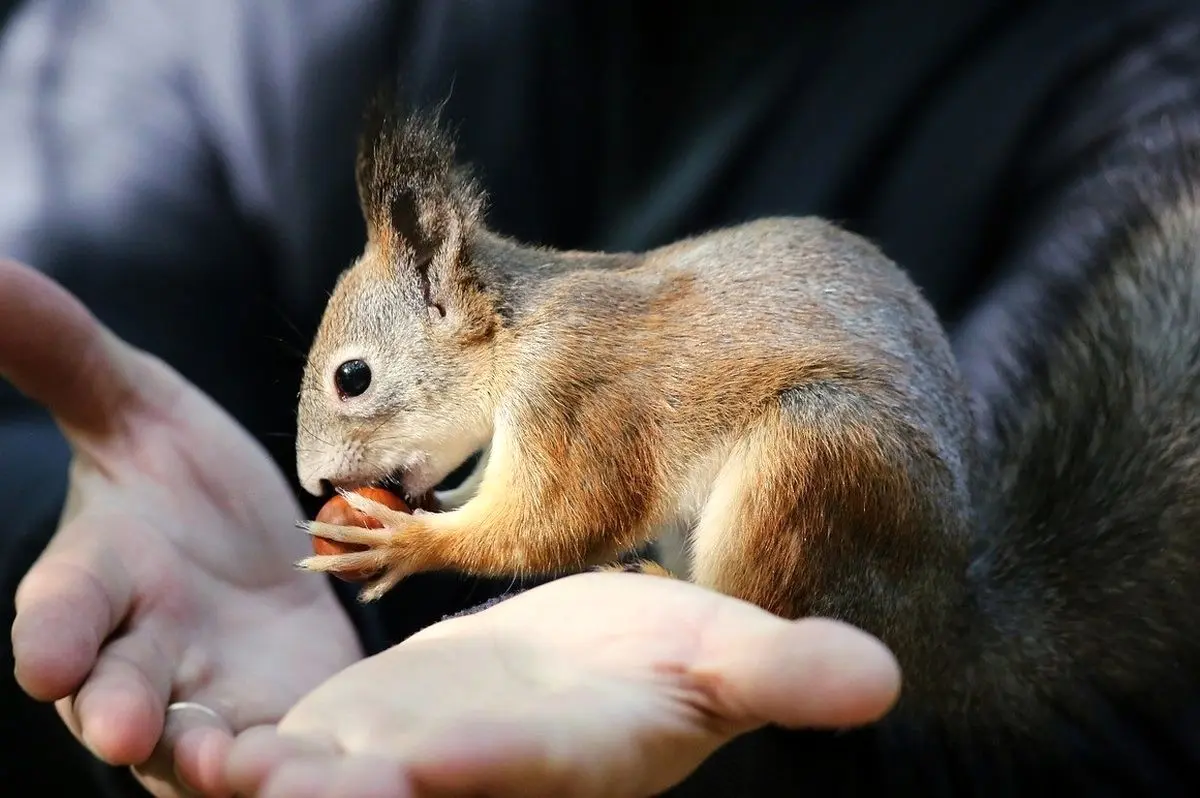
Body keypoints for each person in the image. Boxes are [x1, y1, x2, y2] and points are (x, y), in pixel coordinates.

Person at [2, 0, 1200, 795]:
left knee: (799, 450)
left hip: (846, 489)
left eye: (357, 391)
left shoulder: (558, 358)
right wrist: (64, 514)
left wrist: (425, 541)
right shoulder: (204, 40)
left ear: (448, 287)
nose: (331, 468)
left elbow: (568, 512)